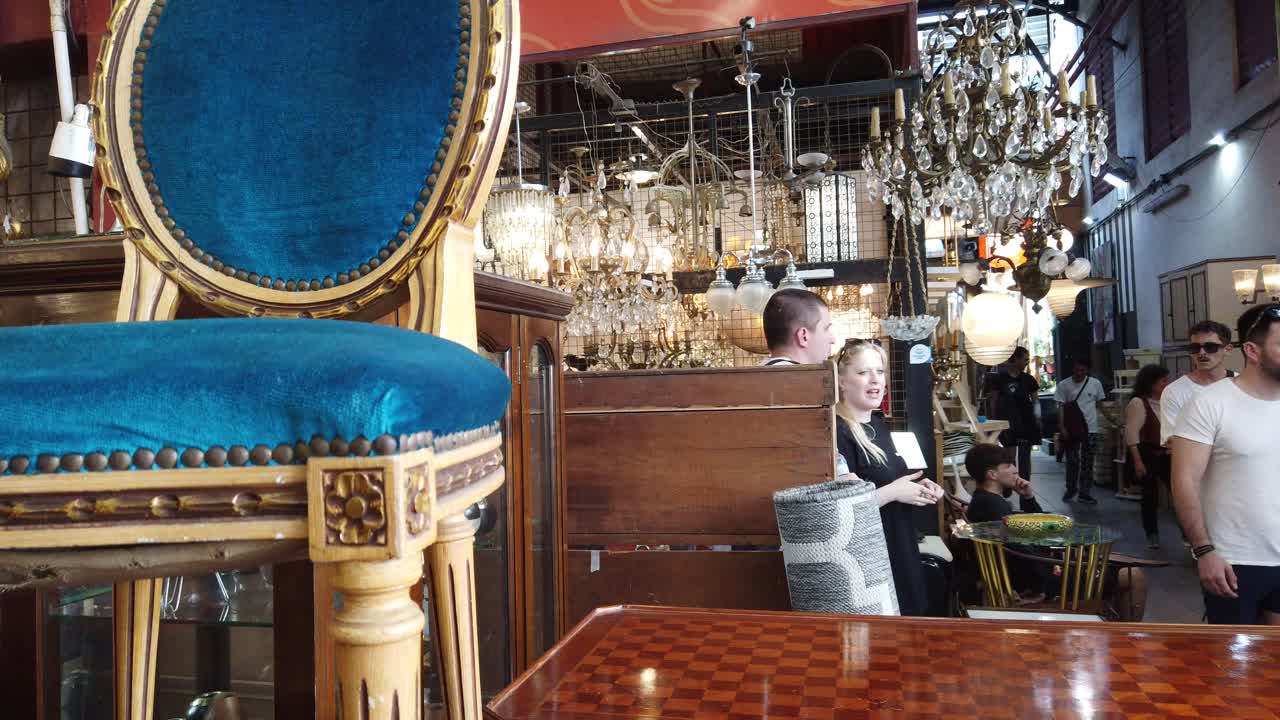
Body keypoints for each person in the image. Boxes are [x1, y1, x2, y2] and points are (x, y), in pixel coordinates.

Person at [1172, 303, 1280, 625]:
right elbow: (1185, 481)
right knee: (1233, 667)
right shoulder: (1209, 404)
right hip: (1234, 560)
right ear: (1252, 350)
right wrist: (1204, 551)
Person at [834, 338, 943, 616]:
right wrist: (895, 491)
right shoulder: (837, 432)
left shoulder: (878, 425)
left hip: (900, 542)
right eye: (862, 372)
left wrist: (919, 487)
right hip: (868, 557)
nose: (875, 380)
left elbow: (890, 481)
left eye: (879, 371)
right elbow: (842, 508)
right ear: (842, 381)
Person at [963, 443, 1047, 599]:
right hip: (1019, 581)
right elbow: (1034, 540)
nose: (1015, 470)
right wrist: (1043, 585)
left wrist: (1028, 497)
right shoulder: (994, 506)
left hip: (1010, 572)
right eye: (1008, 465)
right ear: (992, 475)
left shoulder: (983, 498)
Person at [1159, 320, 1236, 446]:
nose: (1202, 353)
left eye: (1210, 347)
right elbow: (1172, 440)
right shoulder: (1174, 391)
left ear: (1227, 349)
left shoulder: (1242, 385)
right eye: (1195, 348)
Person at [1125, 364, 1170, 549]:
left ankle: (1188, 532)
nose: (1167, 384)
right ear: (1151, 383)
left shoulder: (1168, 402)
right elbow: (1131, 434)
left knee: (1179, 492)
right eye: (1163, 381)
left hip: (1167, 453)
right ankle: (1152, 533)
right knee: (1150, 495)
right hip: (1147, 454)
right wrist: (1138, 461)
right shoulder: (1138, 403)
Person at [1054, 357, 1106, 504]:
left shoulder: (1095, 384)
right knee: (1072, 461)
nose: (1079, 373)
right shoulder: (1064, 385)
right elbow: (1060, 407)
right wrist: (1062, 427)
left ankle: (1085, 492)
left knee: (1088, 462)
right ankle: (1070, 489)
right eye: (1076, 369)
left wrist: (1112, 421)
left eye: (1082, 370)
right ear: (1073, 369)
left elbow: (1100, 405)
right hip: (1072, 429)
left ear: (1087, 370)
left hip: (1091, 428)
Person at [985, 347, 1042, 481]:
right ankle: (1011, 482)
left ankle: (1025, 483)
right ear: (1015, 359)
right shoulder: (999, 379)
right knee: (1009, 456)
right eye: (1025, 360)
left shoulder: (1029, 379)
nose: (1027, 362)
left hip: (1026, 421)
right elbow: (994, 400)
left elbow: (1036, 401)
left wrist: (1038, 417)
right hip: (1007, 422)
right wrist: (993, 421)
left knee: (1025, 458)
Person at [760, 288, 835, 366]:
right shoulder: (802, 377)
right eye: (826, 329)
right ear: (803, 337)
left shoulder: (756, 374)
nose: (833, 340)